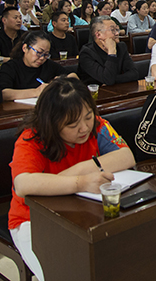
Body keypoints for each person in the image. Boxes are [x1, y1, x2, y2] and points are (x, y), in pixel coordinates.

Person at [9, 77, 134, 281]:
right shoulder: (31, 138)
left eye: (88, 117)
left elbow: (126, 156)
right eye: (72, 124)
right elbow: (23, 184)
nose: (84, 128)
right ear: (52, 123)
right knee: (62, 271)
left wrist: (81, 169)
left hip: (81, 211)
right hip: (32, 219)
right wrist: (81, 182)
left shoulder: (97, 125)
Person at [0, 32, 78, 100]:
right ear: (25, 48)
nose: (42, 58)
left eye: (46, 54)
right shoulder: (10, 67)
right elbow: (4, 93)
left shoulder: (48, 65)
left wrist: (61, 81)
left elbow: (73, 76)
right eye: (39, 52)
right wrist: (36, 92)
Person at [78, 16, 138, 85]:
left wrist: (113, 79)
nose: (117, 33)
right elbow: (108, 79)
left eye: (117, 29)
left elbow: (134, 74)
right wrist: (112, 53)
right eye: (112, 30)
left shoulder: (121, 47)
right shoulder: (86, 53)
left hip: (117, 89)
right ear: (98, 34)